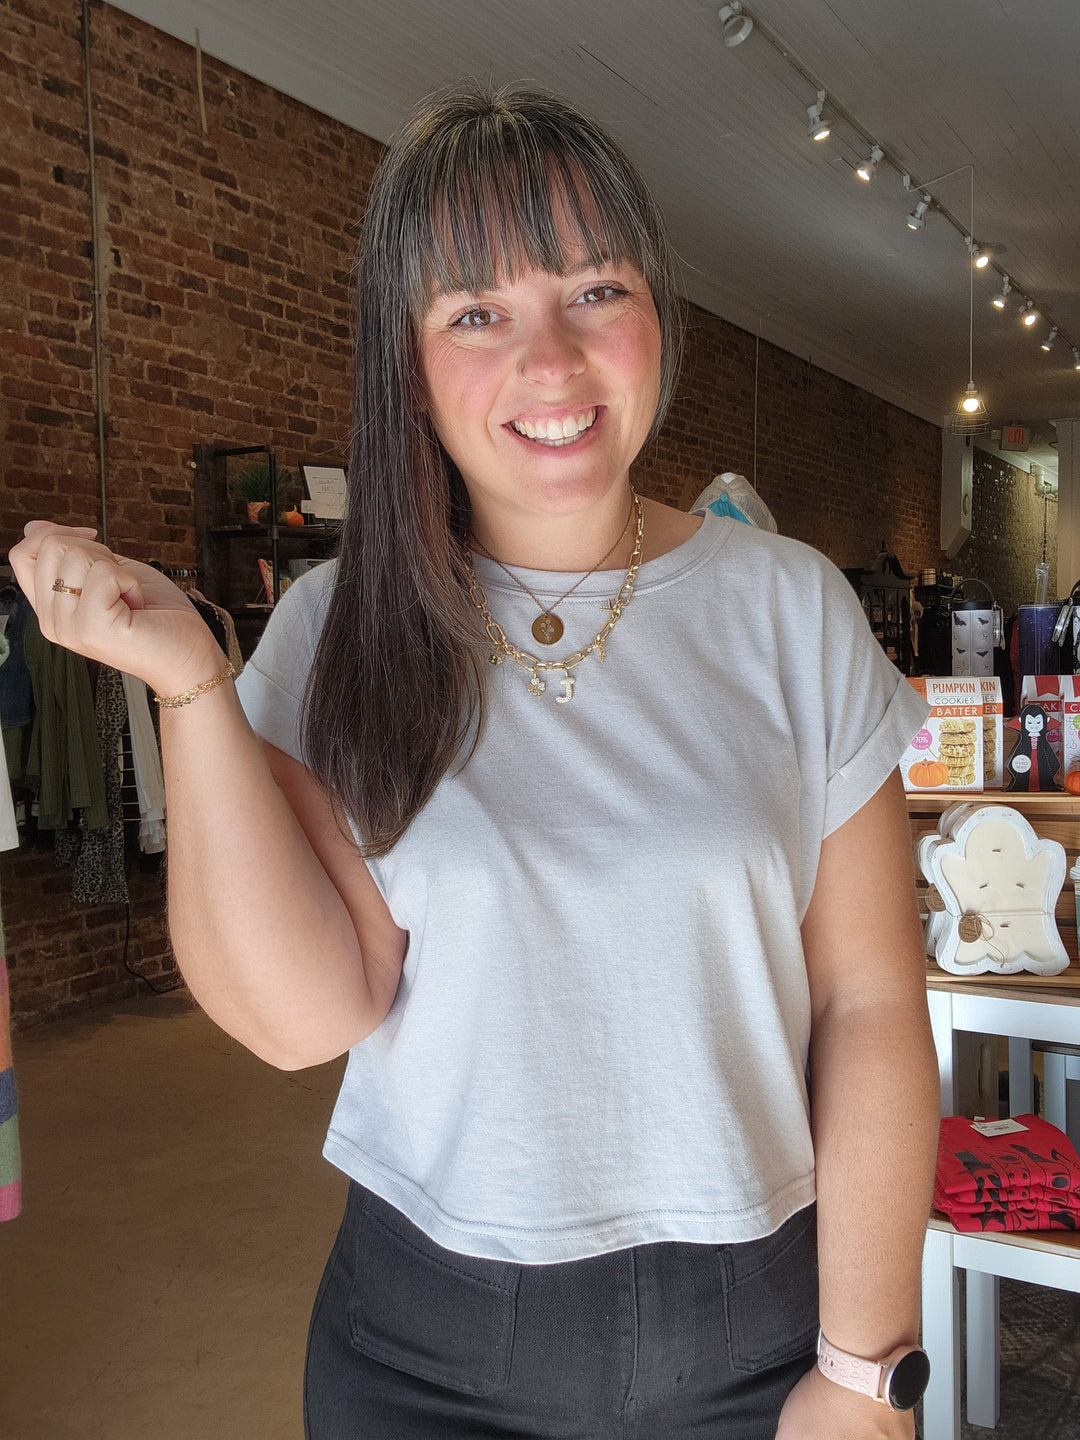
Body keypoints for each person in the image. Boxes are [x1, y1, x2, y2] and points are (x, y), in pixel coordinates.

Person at [11, 82, 939, 1440]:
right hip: (426, 1356)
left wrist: (866, 1374)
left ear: (658, 320)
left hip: (756, 1336)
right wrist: (194, 685)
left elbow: (867, 1003)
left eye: (594, 291)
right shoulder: (339, 628)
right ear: (409, 359)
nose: (552, 363)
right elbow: (303, 1017)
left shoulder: (789, 606)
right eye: (477, 312)